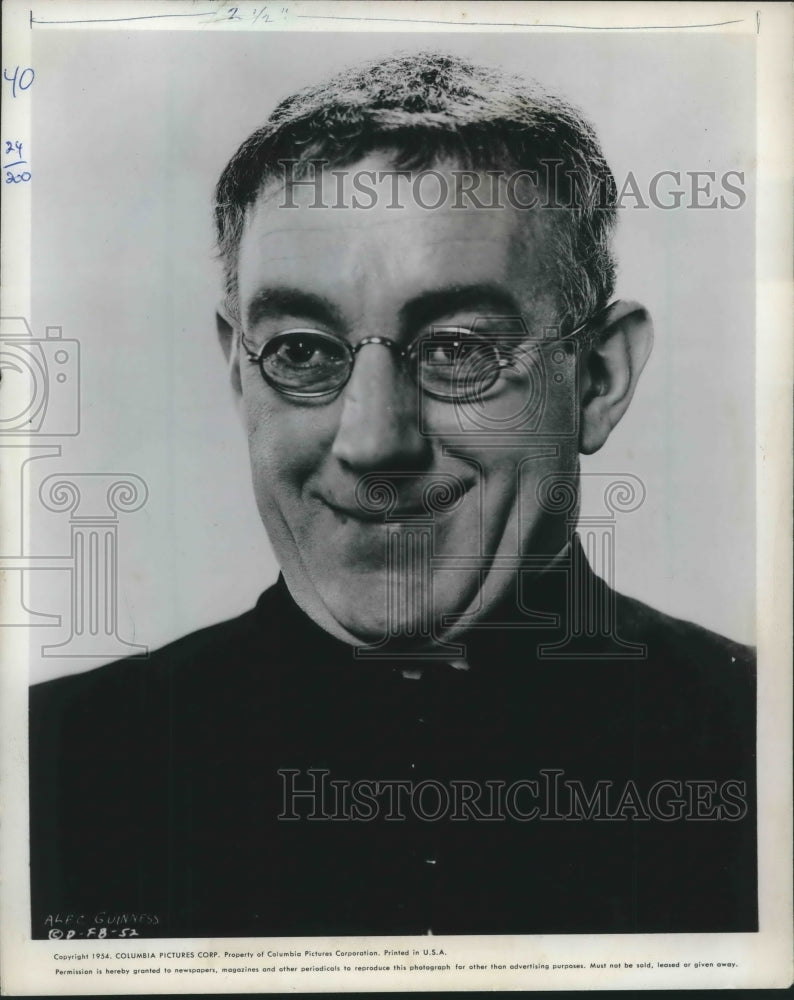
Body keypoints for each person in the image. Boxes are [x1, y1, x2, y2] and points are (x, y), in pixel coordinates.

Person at [29, 51, 755, 939]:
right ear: (237, 373)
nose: (373, 441)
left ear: (598, 378)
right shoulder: (49, 767)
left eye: (456, 348)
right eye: (300, 351)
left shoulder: (762, 740)